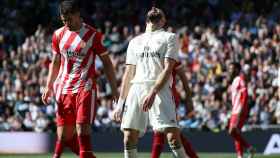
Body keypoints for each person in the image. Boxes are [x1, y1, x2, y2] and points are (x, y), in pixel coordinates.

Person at [41, 1, 118, 158]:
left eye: (69, 19)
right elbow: (55, 63)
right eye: (63, 20)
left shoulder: (93, 35)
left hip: (85, 87)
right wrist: (48, 86)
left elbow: (107, 63)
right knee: (64, 136)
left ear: (77, 14)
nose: (66, 23)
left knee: (82, 131)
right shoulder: (58, 35)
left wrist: (114, 89)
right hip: (63, 89)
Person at [112, 7, 187, 158]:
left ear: (164, 20)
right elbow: (128, 73)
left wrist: (153, 92)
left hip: (159, 88)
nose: (155, 9)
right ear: (146, 19)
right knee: (128, 137)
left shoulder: (170, 37)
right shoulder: (134, 41)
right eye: (152, 10)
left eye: (160, 11)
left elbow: (167, 69)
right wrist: (120, 104)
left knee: (172, 137)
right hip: (136, 88)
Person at [151, 63, 199, 158]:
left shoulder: (170, 52)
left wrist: (189, 99)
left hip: (168, 97)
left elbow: (183, 77)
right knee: (174, 134)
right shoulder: (150, 53)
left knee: (160, 132)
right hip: (155, 97)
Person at [228, 62, 255, 158]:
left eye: (231, 68)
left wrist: (241, 110)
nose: (229, 70)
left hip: (239, 110)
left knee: (233, 131)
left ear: (236, 69)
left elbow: (245, 94)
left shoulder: (240, 79)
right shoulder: (235, 80)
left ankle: (249, 148)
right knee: (235, 133)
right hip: (235, 110)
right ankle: (240, 155)